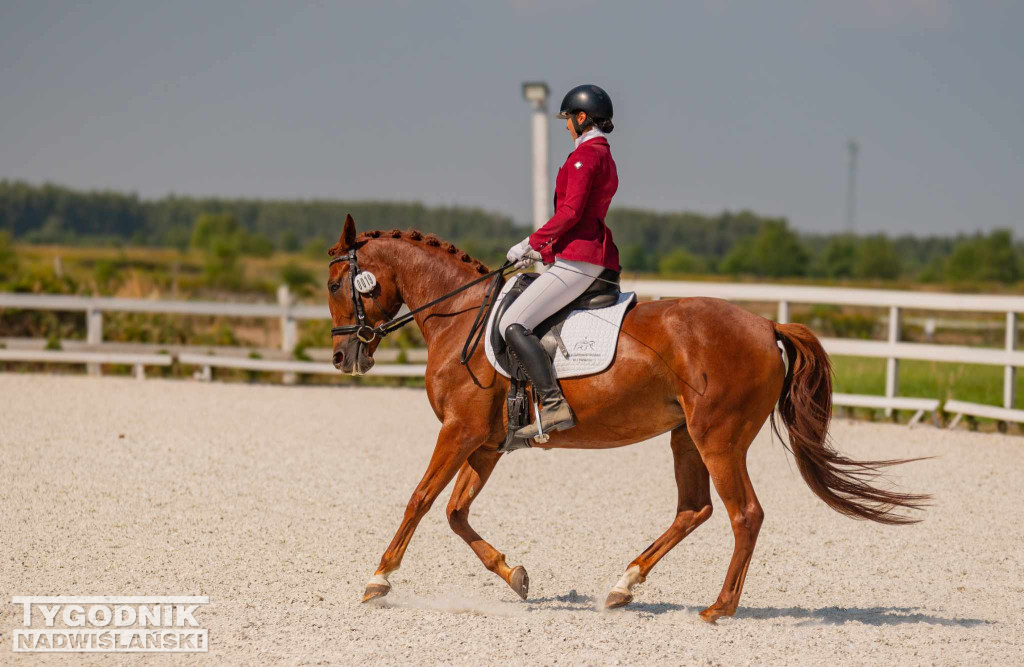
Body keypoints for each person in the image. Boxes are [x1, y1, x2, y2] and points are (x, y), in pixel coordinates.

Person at [502, 83, 621, 440]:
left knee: (512, 322)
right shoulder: (604, 153)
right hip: (584, 253)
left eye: (568, 120)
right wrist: (544, 251)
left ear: (581, 118)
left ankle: (553, 403)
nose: (566, 126)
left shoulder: (586, 156)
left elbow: (571, 212)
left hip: (581, 259)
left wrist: (531, 243)